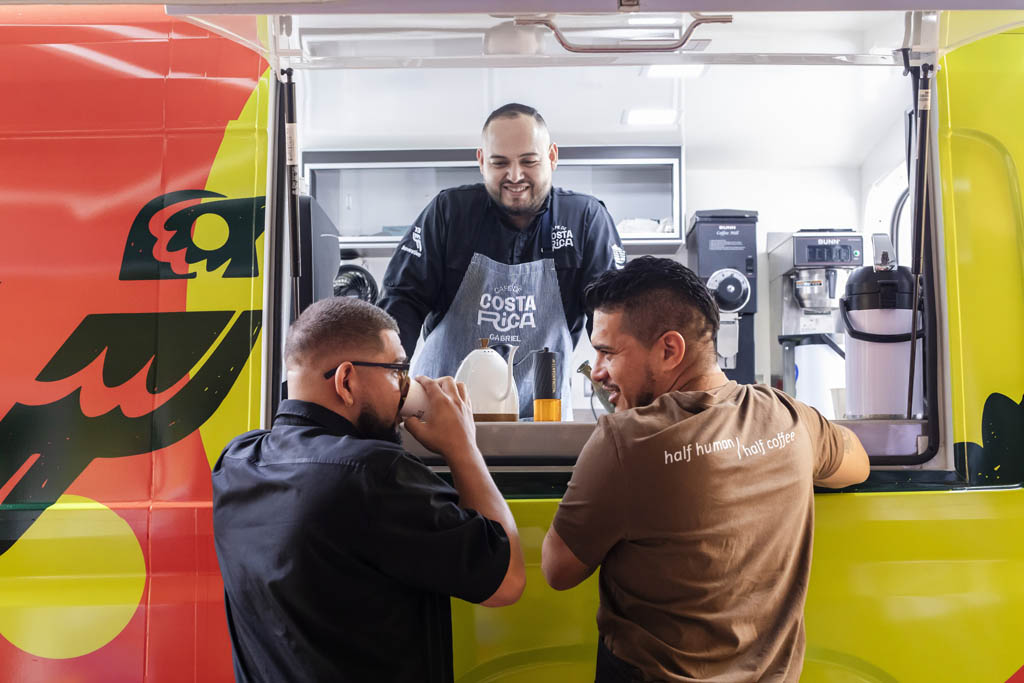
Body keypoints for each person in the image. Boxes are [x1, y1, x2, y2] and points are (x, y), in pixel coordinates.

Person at [541, 256, 870, 682]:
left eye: (607, 352)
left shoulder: (625, 441)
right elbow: (857, 464)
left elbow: (558, 570)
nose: (598, 371)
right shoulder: (787, 416)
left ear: (669, 350)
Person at [211, 297, 525, 683]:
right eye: (399, 371)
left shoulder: (235, 462)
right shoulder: (374, 476)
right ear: (346, 380)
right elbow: (506, 581)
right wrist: (463, 446)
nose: (406, 387)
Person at [378, 102, 626, 419]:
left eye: (529, 161)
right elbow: (401, 305)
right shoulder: (449, 213)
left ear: (552, 157)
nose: (515, 175)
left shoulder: (585, 220)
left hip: (543, 420)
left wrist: (629, 401)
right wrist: (385, 385)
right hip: (442, 415)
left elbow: (615, 322)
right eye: (500, 163)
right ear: (482, 162)